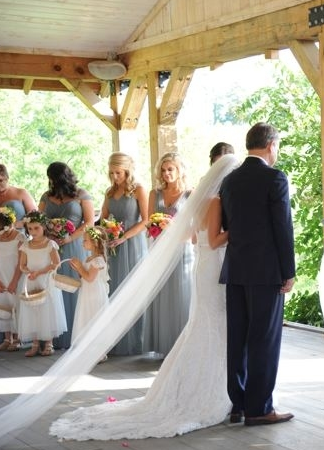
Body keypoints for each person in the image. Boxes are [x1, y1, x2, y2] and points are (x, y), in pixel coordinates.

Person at [49, 153, 241, 440]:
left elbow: (192, 238)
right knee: (213, 321)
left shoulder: (200, 201)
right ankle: (211, 384)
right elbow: (213, 241)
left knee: (205, 321)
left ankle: (205, 377)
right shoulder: (214, 202)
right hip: (212, 265)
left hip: (202, 265)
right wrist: (236, 230)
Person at [219, 122, 296, 426]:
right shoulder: (274, 178)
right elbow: (283, 227)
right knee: (264, 340)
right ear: (271, 145)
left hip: (236, 269)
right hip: (266, 271)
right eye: (277, 146)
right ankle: (260, 408)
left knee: (237, 338)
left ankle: (238, 404)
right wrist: (288, 271)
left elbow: (227, 225)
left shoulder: (229, 180)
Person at [38, 162, 95, 349]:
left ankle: (78, 334)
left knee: (74, 286)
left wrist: (70, 237)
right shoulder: (46, 196)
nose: (53, 182)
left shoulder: (81, 195)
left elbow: (89, 222)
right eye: (51, 179)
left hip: (75, 245)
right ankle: (55, 336)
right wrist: (48, 233)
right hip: (52, 248)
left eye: (56, 178)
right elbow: (39, 219)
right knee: (54, 288)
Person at [144, 152, 193, 356]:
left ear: (180, 170)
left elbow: (194, 227)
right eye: (163, 170)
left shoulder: (190, 194)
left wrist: (173, 227)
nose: (166, 174)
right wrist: (155, 226)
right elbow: (149, 222)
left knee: (180, 294)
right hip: (159, 249)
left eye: (170, 169)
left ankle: (182, 346)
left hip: (182, 250)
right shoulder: (154, 194)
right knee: (161, 294)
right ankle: (164, 345)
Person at [100, 152, 148, 356]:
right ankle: (117, 340)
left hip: (133, 243)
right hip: (114, 246)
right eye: (111, 173)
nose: (115, 177)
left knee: (133, 290)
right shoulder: (109, 192)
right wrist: (105, 232)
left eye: (118, 173)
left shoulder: (138, 190)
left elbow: (146, 220)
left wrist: (124, 236)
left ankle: (137, 341)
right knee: (114, 289)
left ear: (127, 171)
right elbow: (102, 219)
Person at [17, 210, 67, 357]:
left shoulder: (50, 244)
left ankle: (49, 344)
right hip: (31, 280)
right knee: (33, 310)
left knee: (47, 310)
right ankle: (35, 344)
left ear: (44, 227)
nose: (33, 232)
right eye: (30, 229)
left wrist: (39, 272)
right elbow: (22, 265)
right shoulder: (26, 245)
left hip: (46, 281)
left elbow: (56, 264)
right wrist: (28, 272)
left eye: (36, 228)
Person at [69, 226, 109, 362]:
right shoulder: (89, 258)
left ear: (95, 242)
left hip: (95, 294)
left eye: (85, 240)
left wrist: (80, 267)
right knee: (86, 318)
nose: (82, 243)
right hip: (87, 293)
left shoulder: (98, 260)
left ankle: (99, 351)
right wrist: (77, 268)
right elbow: (83, 277)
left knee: (94, 318)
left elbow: (90, 278)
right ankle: (88, 349)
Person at [0, 206, 24, 351]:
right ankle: (7, 337)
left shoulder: (19, 237)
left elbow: (22, 261)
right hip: (1, 276)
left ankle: (17, 338)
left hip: (15, 276)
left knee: (16, 305)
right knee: (3, 305)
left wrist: (14, 281)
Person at [0, 163, 37, 228]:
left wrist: (17, 225)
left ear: (7, 178)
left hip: (21, 232)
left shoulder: (21, 193)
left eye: (0, 180)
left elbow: (36, 217)